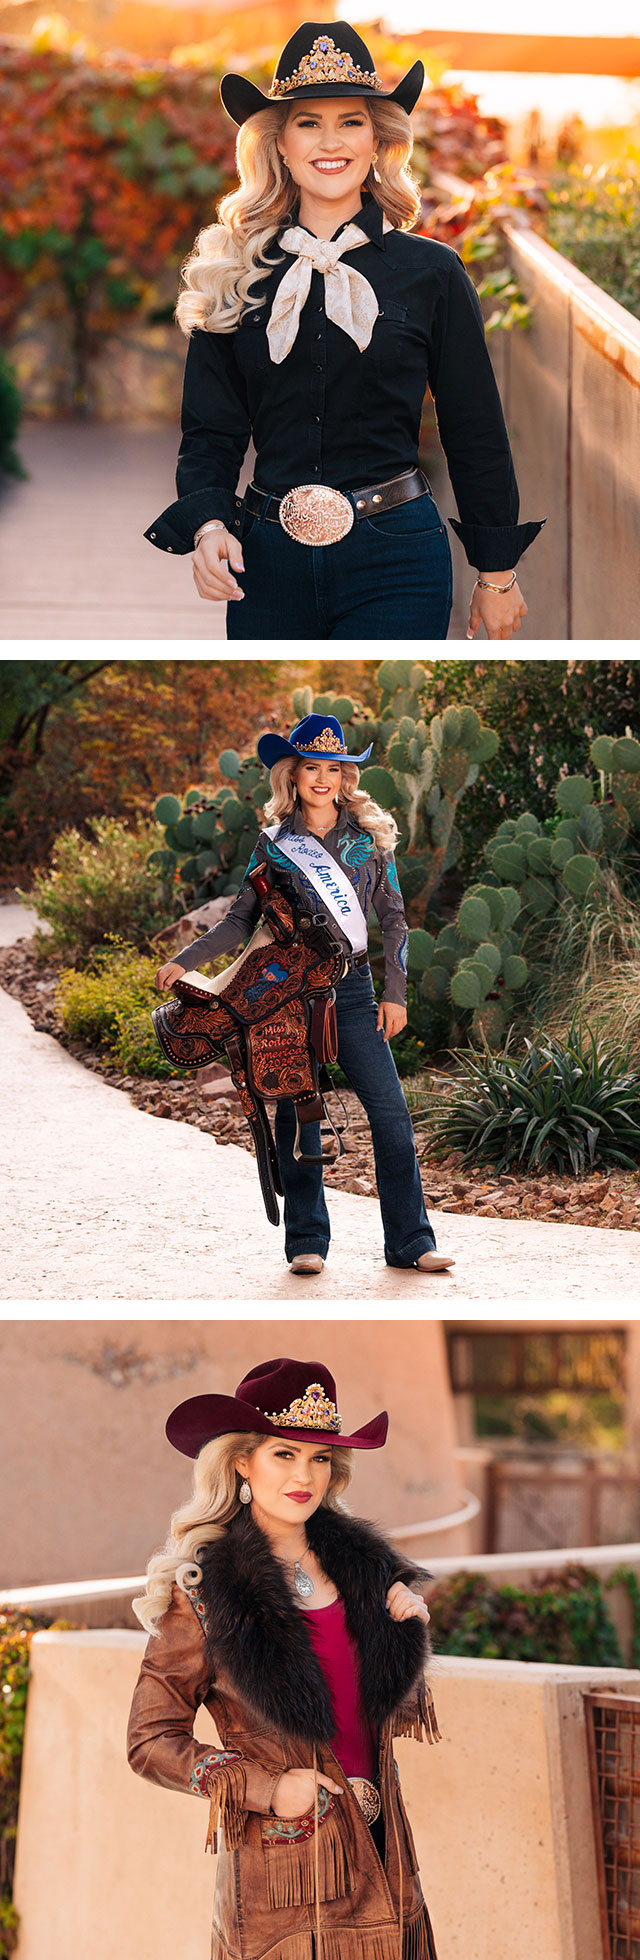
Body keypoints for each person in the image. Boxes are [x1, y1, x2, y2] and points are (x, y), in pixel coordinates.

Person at [144, 19, 545, 642]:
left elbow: (475, 428)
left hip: (399, 556)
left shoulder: (432, 272)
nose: (330, 141)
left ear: (378, 140)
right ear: (279, 143)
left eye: (350, 121)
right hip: (267, 558)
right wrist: (208, 525)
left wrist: (496, 573)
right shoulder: (233, 270)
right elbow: (209, 431)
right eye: (308, 122)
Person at [127, 1356, 441, 1960]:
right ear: (242, 1461)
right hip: (287, 1884)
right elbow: (149, 1740)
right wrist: (266, 1788)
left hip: (386, 1856)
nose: (305, 1476)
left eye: (320, 1457)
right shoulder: (203, 1595)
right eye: (284, 1454)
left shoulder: (369, 1577)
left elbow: (377, 1717)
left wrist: (404, 1633)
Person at [155, 713, 454, 1277]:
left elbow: (395, 922)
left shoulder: (367, 842)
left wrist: (397, 994)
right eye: (310, 767)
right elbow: (239, 920)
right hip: (289, 998)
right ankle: (306, 1243)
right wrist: (184, 960)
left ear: (345, 778)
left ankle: (412, 1243)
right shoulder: (273, 845)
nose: (322, 778)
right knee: (298, 1118)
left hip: (358, 995)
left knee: (391, 1116)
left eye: (333, 768)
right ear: (292, 776)